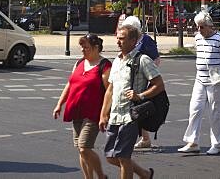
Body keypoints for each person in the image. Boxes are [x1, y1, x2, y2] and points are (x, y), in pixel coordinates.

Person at [100, 22, 164, 179]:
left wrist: (140, 96)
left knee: (123, 156)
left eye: (122, 39)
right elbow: (110, 89)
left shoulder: (143, 60)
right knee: (110, 156)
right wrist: (103, 114)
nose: (118, 42)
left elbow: (159, 85)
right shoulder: (116, 61)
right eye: (117, 38)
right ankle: (144, 174)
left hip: (131, 115)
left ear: (133, 41)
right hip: (115, 115)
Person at [54, 33, 112, 179]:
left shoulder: (104, 66)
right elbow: (70, 84)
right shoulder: (79, 63)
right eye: (82, 47)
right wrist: (59, 104)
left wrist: (105, 114)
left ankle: (101, 176)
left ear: (96, 48)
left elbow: (109, 91)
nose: (82, 50)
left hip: (93, 113)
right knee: (81, 150)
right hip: (76, 111)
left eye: (86, 47)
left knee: (84, 147)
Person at [178, 11, 220, 156]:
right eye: (197, 27)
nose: (199, 30)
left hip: (215, 80)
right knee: (195, 109)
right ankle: (193, 142)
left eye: (202, 27)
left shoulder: (219, 39)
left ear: (209, 26)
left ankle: (217, 144)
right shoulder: (198, 38)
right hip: (200, 78)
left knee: (215, 112)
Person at [119, 15, 160, 150]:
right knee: (135, 109)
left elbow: (156, 59)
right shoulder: (133, 40)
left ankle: (143, 138)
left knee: (138, 109)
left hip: (143, 79)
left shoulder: (146, 40)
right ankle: (144, 138)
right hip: (132, 78)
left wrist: (148, 74)